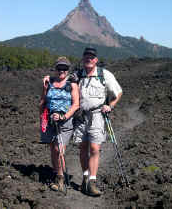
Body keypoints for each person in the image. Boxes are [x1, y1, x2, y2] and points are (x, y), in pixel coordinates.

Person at [74, 47, 123, 197]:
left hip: (97, 116)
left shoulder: (104, 75)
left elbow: (118, 92)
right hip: (80, 116)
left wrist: (111, 105)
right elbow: (60, 81)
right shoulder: (76, 75)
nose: (89, 59)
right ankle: (85, 178)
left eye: (92, 57)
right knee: (83, 148)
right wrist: (48, 79)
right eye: (86, 56)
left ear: (96, 60)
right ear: (83, 59)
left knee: (94, 148)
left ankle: (92, 182)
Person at [40, 56, 79, 192]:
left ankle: (61, 178)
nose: (61, 71)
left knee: (59, 150)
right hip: (50, 120)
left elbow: (76, 104)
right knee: (53, 149)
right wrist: (43, 119)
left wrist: (64, 116)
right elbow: (43, 100)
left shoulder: (72, 84)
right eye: (59, 68)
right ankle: (57, 174)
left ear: (68, 70)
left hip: (65, 122)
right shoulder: (48, 82)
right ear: (55, 69)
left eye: (64, 68)